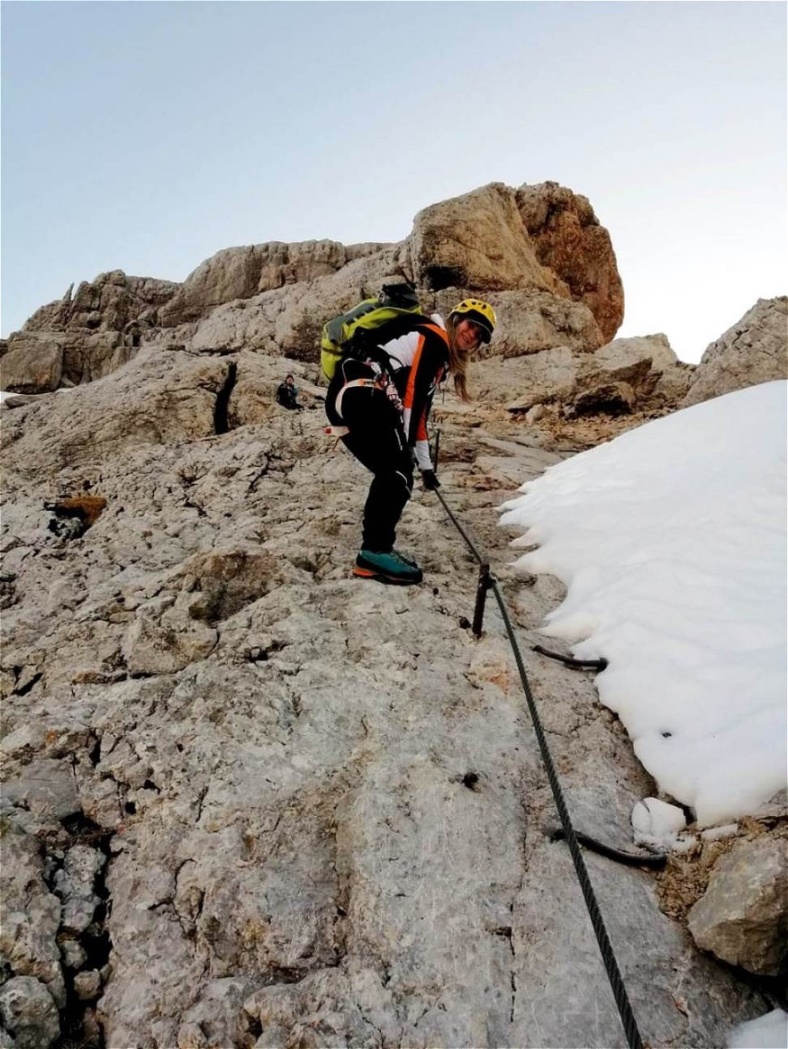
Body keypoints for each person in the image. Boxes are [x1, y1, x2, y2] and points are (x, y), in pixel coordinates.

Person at [325, 298, 497, 584]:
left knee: (393, 472)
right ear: (457, 319)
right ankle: (374, 552)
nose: (472, 335)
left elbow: (419, 417)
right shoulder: (435, 338)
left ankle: (376, 550)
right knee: (396, 471)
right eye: (471, 325)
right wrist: (405, 451)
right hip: (361, 391)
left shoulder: (438, 355)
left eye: (480, 335)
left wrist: (426, 467)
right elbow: (413, 398)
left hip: (350, 396)